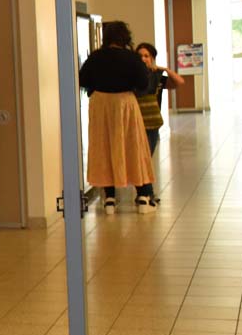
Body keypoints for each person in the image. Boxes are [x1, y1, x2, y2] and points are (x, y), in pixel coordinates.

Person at [78, 21, 156, 214]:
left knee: (104, 147)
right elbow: (144, 83)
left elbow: (82, 79)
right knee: (133, 146)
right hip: (125, 104)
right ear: (124, 37)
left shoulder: (95, 57)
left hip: (101, 105)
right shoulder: (131, 58)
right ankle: (142, 197)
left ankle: (110, 199)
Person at [135, 42, 184, 155]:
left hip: (152, 122)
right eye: (139, 56)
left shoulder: (157, 76)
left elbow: (179, 82)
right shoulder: (133, 76)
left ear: (152, 58)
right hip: (136, 121)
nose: (142, 59)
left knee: (148, 153)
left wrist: (165, 69)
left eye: (146, 56)